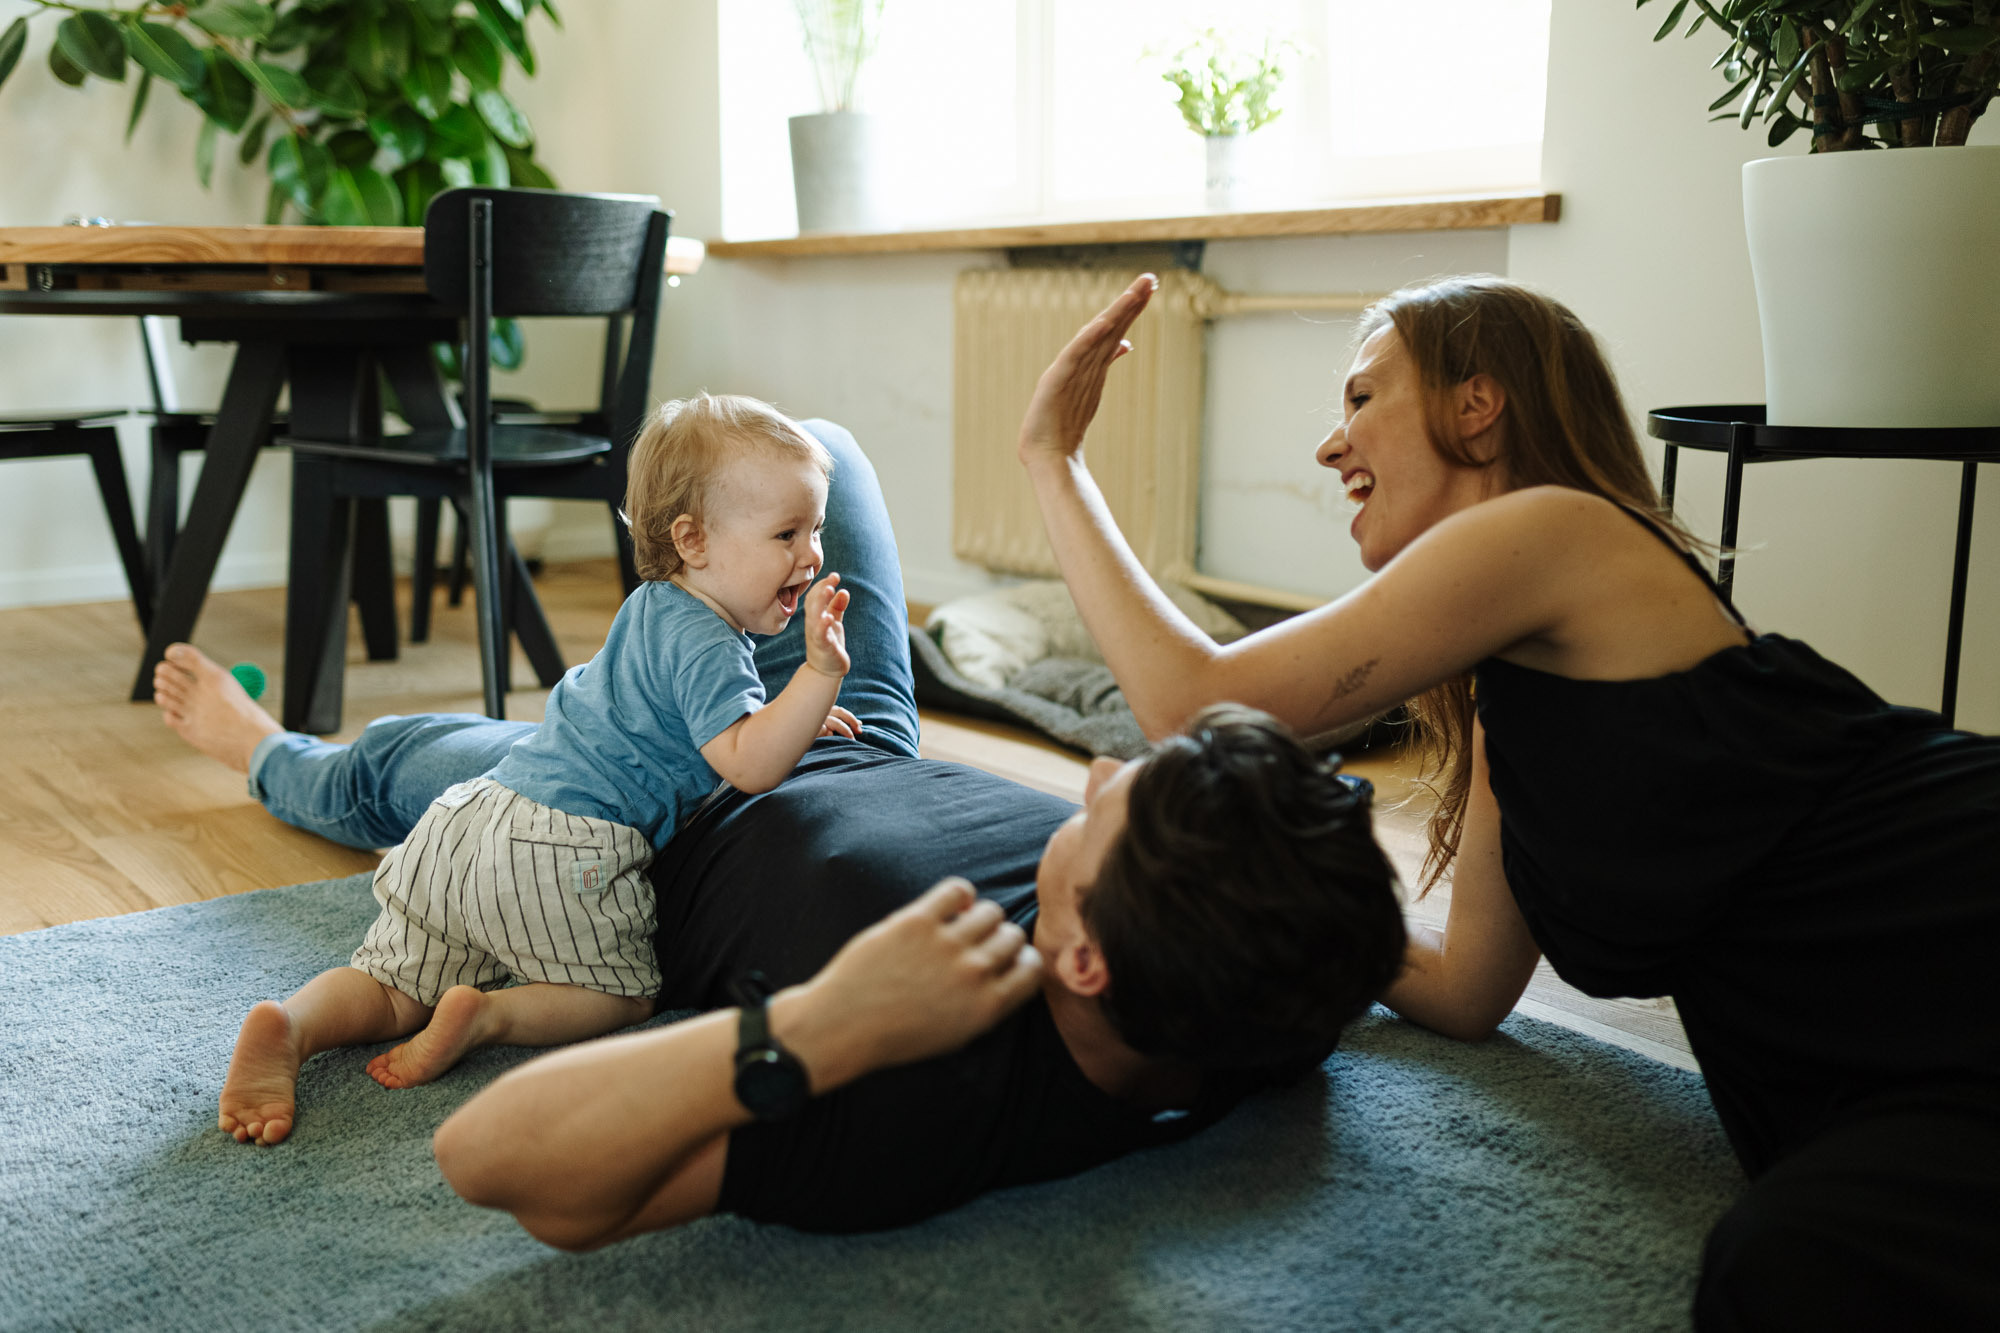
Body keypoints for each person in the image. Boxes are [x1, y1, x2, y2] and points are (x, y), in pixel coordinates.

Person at [1016, 272, 2000, 1330]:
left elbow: (1190, 703)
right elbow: (1466, 987)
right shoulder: (1519, 693)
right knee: (1797, 1263)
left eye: (1361, 398)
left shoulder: (1559, 530)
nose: (1330, 446)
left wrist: (1055, 460)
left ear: (1476, 405)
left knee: (1784, 1269)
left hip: (1956, 909)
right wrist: (1268, 926)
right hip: (1886, 1054)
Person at [152, 418, 1406, 1235]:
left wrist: (816, 1024)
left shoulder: (923, 1088)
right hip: (853, 730)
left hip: (647, 805)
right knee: (819, 452)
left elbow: (494, 1156)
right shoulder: (1280, 966)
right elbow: (1402, 960)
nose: (1092, 778)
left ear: (1080, 960)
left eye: (1106, 806)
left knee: (403, 761)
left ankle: (267, 751)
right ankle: (688, 607)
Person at [198, 394, 861, 1148]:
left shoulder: (655, 605)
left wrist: (790, 716)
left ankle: (293, 1024)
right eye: (787, 533)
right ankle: (491, 1016)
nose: (811, 554)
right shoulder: (711, 642)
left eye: (815, 529)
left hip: (473, 820)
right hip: (569, 851)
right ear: (693, 540)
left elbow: (702, 720)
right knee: (625, 992)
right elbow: (749, 764)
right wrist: (817, 677)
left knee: (392, 988)